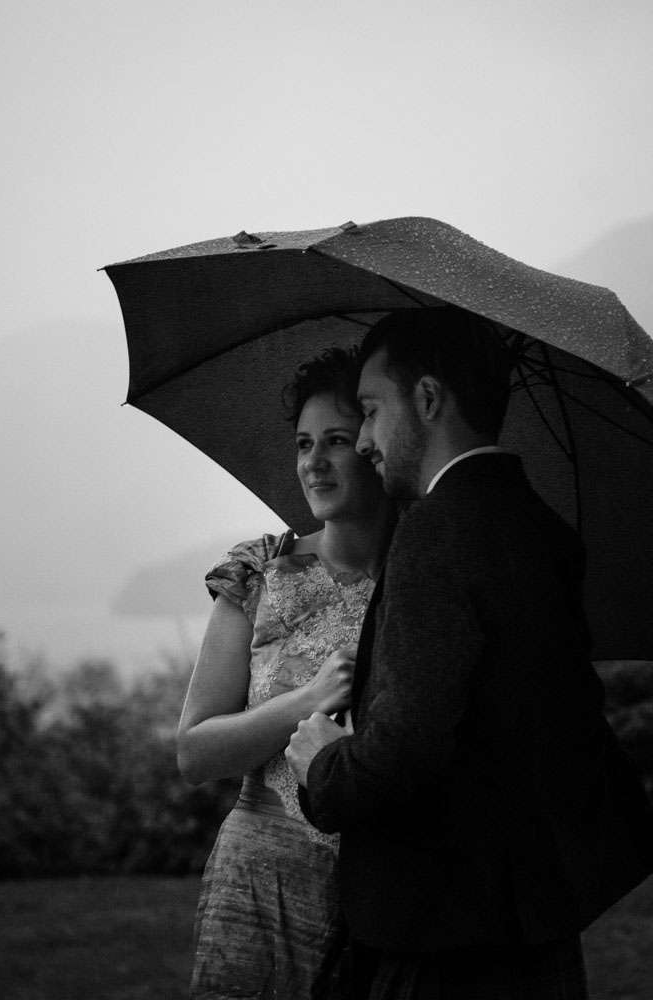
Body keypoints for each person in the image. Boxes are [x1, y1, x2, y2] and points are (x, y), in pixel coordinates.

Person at [287, 307, 653, 999]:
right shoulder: (539, 526)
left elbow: (405, 749)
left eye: (371, 411)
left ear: (428, 398)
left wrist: (322, 763)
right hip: (533, 923)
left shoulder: (436, 531)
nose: (366, 440)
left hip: (446, 938)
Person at [178, 346, 396, 999]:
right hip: (256, 886)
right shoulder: (259, 574)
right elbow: (195, 752)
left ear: (377, 444)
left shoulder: (420, 584)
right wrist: (308, 699)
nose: (313, 462)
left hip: (377, 893)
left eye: (336, 440)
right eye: (304, 443)